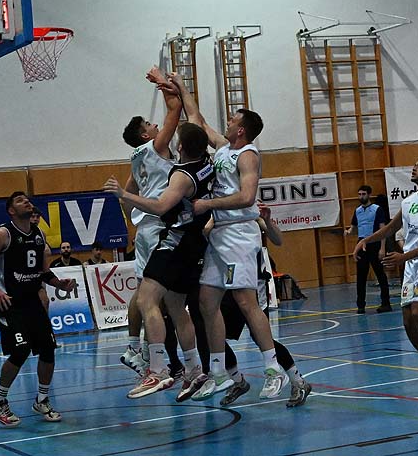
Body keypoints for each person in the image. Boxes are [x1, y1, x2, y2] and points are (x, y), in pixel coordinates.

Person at [163, 72, 287, 401]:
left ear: (241, 129)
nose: (228, 121)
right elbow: (197, 120)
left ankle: (273, 368)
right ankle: (218, 372)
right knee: (206, 302)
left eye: (233, 119)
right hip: (219, 235)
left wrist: (208, 204)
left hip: (239, 234)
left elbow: (247, 197)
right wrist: (181, 87)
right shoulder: (222, 149)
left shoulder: (248, 155)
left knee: (246, 302)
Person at [104, 122, 213, 400]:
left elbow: (161, 206)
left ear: (180, 147)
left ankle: (157, 370)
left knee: (146, 300)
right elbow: (192, 122)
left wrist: (125, 195)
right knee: (176, 307)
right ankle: (194, 369)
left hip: (174, 240)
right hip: (194, 242)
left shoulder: (182, 175)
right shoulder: (207, 165)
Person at [353, 157, 418, 395]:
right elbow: (390, 228)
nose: (414, 168)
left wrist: (403, 257)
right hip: (411, 264)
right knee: (408, 321)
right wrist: (365, 241)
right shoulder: (408, 201)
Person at [0, 192, 75, 426]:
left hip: (32, 301)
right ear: (11, 210)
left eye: (27, 200)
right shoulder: (3, 234)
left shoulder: (39, 235)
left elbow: (42, 272)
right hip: (9, 303)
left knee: (48, 349)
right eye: (21, 201)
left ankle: (42, 399)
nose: (27, 202)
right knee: (20, 351)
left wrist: (59, 284)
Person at [118, 66, 182, 377]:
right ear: (145, 135)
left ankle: (135, 347)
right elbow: (175, 111)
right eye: (149, 124)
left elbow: (127, 195)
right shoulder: (156, 147)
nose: (155, 124)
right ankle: (150, 354)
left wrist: (134, 217)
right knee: (158, 296)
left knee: (144, 290)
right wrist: (164, 82)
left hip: (145, 226)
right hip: (158, 224)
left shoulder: (136, 157)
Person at [217, 201, 312, 407]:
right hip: (228, 282)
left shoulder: (249, 213)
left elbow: (278, 239)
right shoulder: (218, 210)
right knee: (212, 332)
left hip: (253, 283)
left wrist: (267, 221)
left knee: (261, 337)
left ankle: (298, 381)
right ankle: (237, 381)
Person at [0, 206, 50, 356]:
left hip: (33, 279)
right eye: (33, 216)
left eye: (38, 217)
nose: (35, 219)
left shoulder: (39, 234)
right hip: (11, 281)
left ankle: (44, 335)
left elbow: (45, 255)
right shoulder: (6, 233)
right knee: (1, 309)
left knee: (44, 300)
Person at [345, 185, 391, 314]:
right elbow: (354, 228)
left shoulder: (377, 209)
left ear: (369, 195)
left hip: (375, 244)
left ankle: (385, 303)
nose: (361, 197)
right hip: (361, 245)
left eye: (363, 194)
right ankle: (361, 305)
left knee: (380, 275)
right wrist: (348, 231)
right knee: (361, 276)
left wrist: (382, 248)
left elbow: (383, 229)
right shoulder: (358, 211)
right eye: (359, 194)